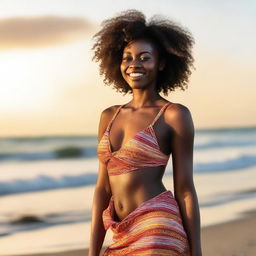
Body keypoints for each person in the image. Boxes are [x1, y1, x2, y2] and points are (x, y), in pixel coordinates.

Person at [89, 9, 202, 256]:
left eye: (144, 57)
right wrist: (93, 251)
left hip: (157, 227)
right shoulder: (109, 116)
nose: (134, 65)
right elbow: (102, 189)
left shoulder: (174, 115)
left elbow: (184, 189)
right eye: (127, 58)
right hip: (120, 232)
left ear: (161, 63)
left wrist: (196, 251)